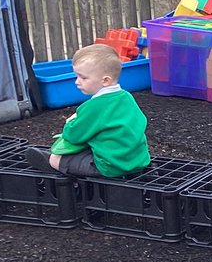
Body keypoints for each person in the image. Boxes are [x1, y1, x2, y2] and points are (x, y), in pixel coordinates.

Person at [24, 44, 150, 178]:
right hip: (137, 161)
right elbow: (141, 121)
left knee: (55, 158)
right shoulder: (126, 97)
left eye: (83, 78)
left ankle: (57, 167)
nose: (77, 82)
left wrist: (70, 123)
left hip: (111, 167)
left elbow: (73, 136)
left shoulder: (94, 106)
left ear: (105, 80)